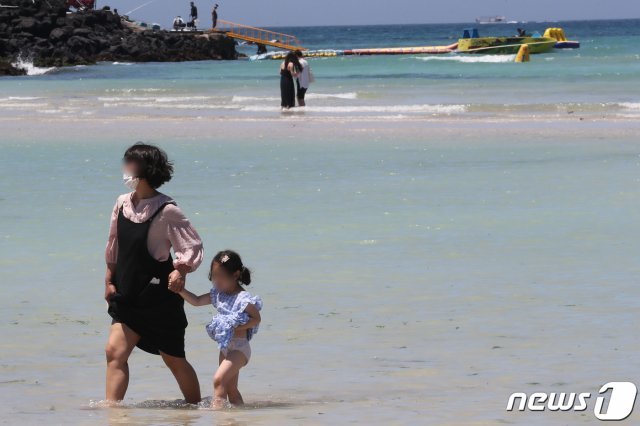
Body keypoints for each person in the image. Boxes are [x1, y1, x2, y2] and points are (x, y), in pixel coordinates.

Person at [104, 143, 204, 405]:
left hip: (159, 299)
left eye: (129, 162)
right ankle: (114, 415)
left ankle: (195, 410)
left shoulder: (167, 209)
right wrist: (108, 280)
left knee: (173, 359)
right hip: (127, 293)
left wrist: (181, 270)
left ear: (145, 169)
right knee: (115, 353)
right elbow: (113, 244)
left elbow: (191, 246)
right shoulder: (122, 203)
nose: (124, 168)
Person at [179, 250, 262, 409]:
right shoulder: (218, 294)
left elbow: (256, 319)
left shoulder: (243, 299)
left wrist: (237, 326)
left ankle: (218, 418)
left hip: (240, 348)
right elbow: (196, 301)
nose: (216, 280)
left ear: (236, 275)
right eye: (214, 276)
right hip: (224, 348)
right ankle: (238, 418)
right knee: (230, 389)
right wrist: (180, 290)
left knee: (218, 380)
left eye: (221, 276)